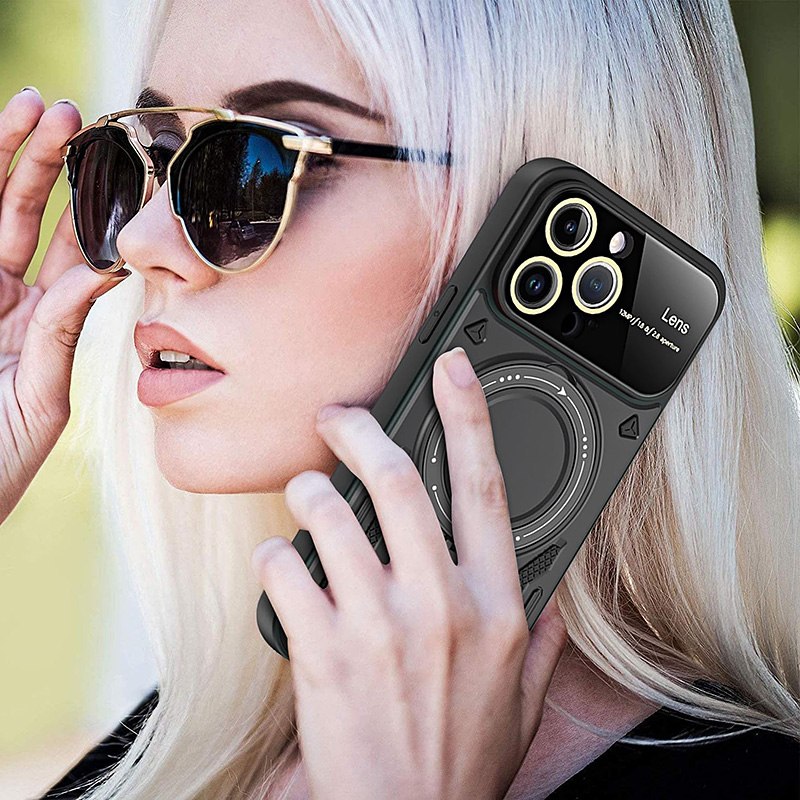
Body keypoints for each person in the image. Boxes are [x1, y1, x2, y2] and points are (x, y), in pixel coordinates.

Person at [0, 0, 797, 798]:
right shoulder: (166, 754)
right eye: (151, 155)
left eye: (254, 163)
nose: (140, 240)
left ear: (520, 219)